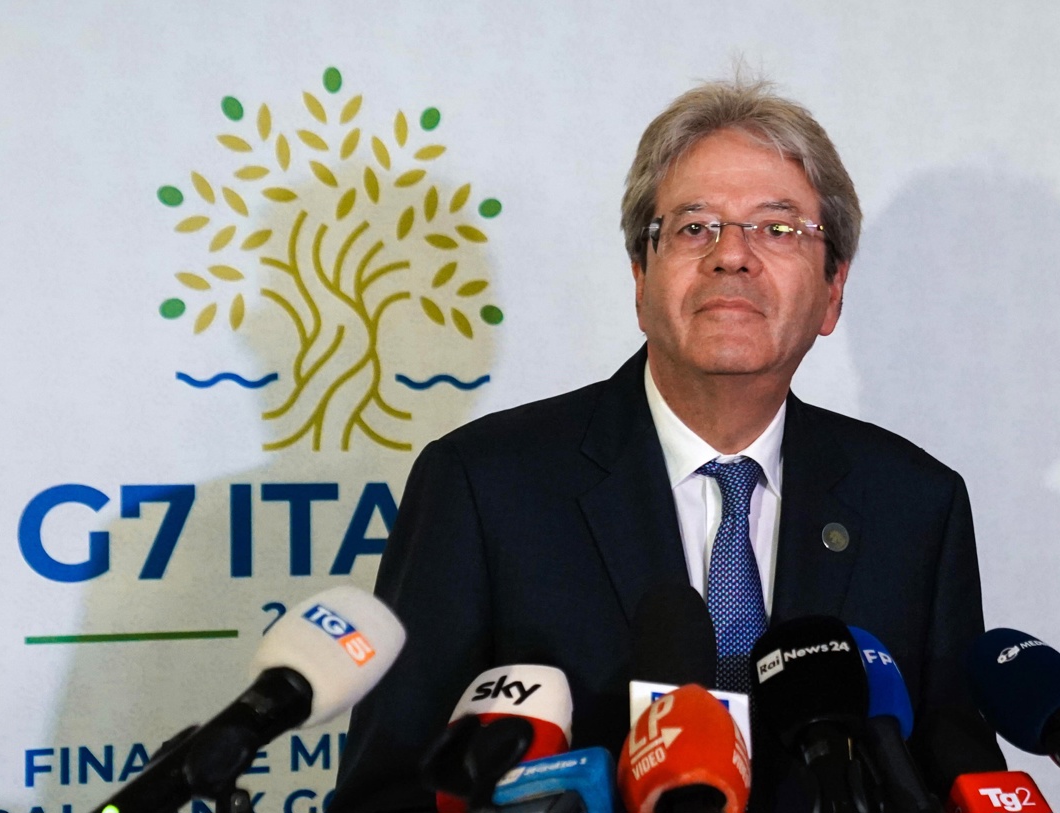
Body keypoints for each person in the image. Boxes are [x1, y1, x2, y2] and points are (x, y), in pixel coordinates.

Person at [329, 78, 983, 812]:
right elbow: (386, 794)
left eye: (778, 227)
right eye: (695, 226)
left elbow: (955, 774)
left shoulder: (915, 505)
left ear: (833, 290)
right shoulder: (484, 487)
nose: (732, 255)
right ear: (641, 277)